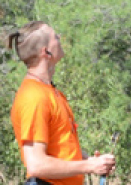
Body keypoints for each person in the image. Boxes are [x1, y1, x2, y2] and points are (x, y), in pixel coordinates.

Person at [7, 21, 115, 185]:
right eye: (55, 37)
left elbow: (61, 149)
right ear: (46, 52)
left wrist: (91, 161)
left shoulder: (51, 92)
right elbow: (36, 165)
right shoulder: (34, 97)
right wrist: (88, 166)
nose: (60, 38)